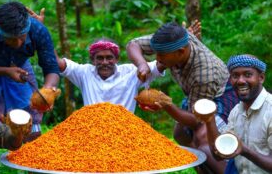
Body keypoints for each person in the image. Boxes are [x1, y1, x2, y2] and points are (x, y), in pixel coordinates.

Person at [126, 21, 240, 173]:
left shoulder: (204, 74)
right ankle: (204, 169)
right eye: (156, 53)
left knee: (203, 138)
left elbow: (196, 118)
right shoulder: (170, 40)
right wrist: (142, 64)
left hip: (220, 96)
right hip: (195, 94)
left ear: (180, 52)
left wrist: (166, 104)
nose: (157, 58)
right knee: (180, 134)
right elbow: (133, 44)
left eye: (161, 55)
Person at [0, 1, 60, 170]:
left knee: (31, 122)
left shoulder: (38, 30)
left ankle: (33, 168)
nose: (19, 43)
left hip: (21, 68)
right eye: (11, 39)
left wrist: (48, 90)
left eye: (22, 37)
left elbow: (51, 66)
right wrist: (5, 71)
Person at [199, 54, 272, 173]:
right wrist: (209, 119)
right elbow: (219, 155)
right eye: (235, 76)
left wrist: (245, 150)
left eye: (248, 75)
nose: (240, 81)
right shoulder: (236, 111)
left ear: (261, 78)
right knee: (203, 150)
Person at [56, 38, 164, 112]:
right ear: (92, 60)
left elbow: (161, 64)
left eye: (109, 57)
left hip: (126, 133)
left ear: (117, 59)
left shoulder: (131, 72)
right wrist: (42, 32)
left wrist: (175, 43)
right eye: (99, 58)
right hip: (92, 134)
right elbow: (58, 63)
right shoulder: (84, 73)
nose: (104, 62)